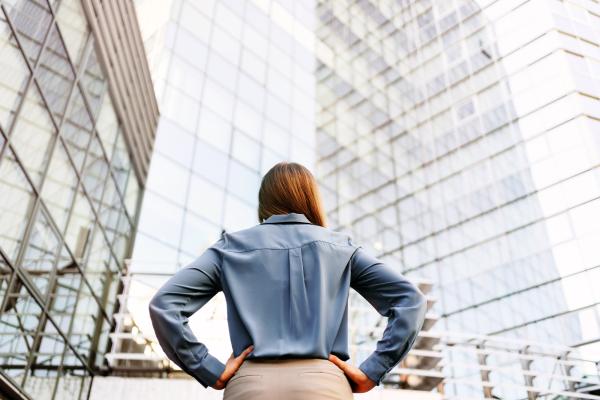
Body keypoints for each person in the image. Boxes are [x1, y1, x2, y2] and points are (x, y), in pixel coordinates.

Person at [148, 161, 428, 399]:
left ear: (265, 203)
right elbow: (410, 300)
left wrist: (209, 368)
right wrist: (373, 370)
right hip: (323, 385)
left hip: (250, 386)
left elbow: (165, 305)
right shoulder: (340, 247)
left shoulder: (229, 247)